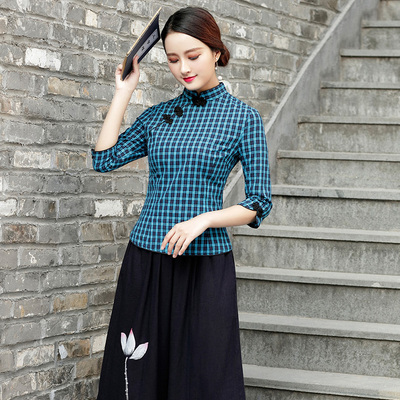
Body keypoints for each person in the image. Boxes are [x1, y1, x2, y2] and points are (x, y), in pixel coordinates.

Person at [92, 6, 272, 400]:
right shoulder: (159, 116)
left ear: (216, 52)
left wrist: (203, 220)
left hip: (204, 266)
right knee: (139, 376)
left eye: (193, 56)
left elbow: (259, 202)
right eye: (173, 59)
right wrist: (124, 91)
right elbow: (104, 159)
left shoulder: (243, 119)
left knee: (203, 377)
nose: (183, 68)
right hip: (147, 259)